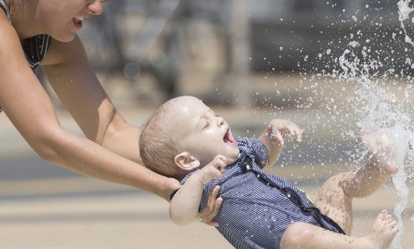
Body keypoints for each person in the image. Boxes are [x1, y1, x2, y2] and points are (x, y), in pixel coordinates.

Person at [0, 0, 219, 222]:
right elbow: (48, 141)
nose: (97, 7)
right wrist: (168, 188)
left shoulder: (53, 41)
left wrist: (210, 162)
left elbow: (110, 131)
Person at [139, 95, 400, 249]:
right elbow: (179, 215)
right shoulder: (200, 184)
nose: (219, 120)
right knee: (298, 233)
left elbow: (265, 154)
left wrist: (271, 135)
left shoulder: (239, 152)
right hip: (291, 243)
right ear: (186, 160)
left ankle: (379, 166)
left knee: (337, 186)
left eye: (213, 113)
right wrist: (198, 179)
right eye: (205, 124)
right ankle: (366, 245)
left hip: (321, 232)